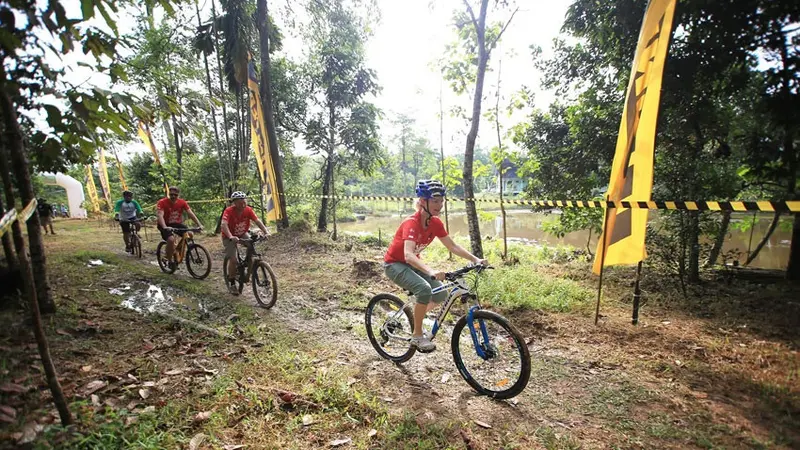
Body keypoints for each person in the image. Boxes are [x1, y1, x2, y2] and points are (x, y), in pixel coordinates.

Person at [383, 180, 487, 353]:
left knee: (440, 294)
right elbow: (408, 254)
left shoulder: (435, 223)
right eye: (435, 201)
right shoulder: (412, 223)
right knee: (424, 290)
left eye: (441, 201)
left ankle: (414, 313)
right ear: (423, 202)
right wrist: (431, 271)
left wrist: (475, 259)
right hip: (394, 264)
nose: (440, 205)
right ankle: (417, 335)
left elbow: (452, 246)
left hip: (412, 263)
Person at [221, 191, 269, 295]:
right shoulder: (229, 211)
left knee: (251, 248)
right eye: (240, 202)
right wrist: (230, 236)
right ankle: (232, 282)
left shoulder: (248, 210)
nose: (243, 204)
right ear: (234, 203)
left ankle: (247, 273)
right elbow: (224, 225)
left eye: (244, 201)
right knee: (233, 260)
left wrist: (266, 232)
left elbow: (257, 221)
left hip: (242, 234)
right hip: (229, 236)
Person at [156, 186, 203, 270]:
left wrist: (199, 224)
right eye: (171, 194)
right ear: (168, 194)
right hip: (164, 224)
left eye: (175, 195)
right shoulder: (162, 202)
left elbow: (190, 213)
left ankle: (177, 249)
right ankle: (169, 260)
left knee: (190, 234)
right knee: (170, 240)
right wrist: (165, 227)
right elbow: (160, 215)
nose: (173, 196)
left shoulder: (182, 202)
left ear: (178, 195)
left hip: (176, 224)